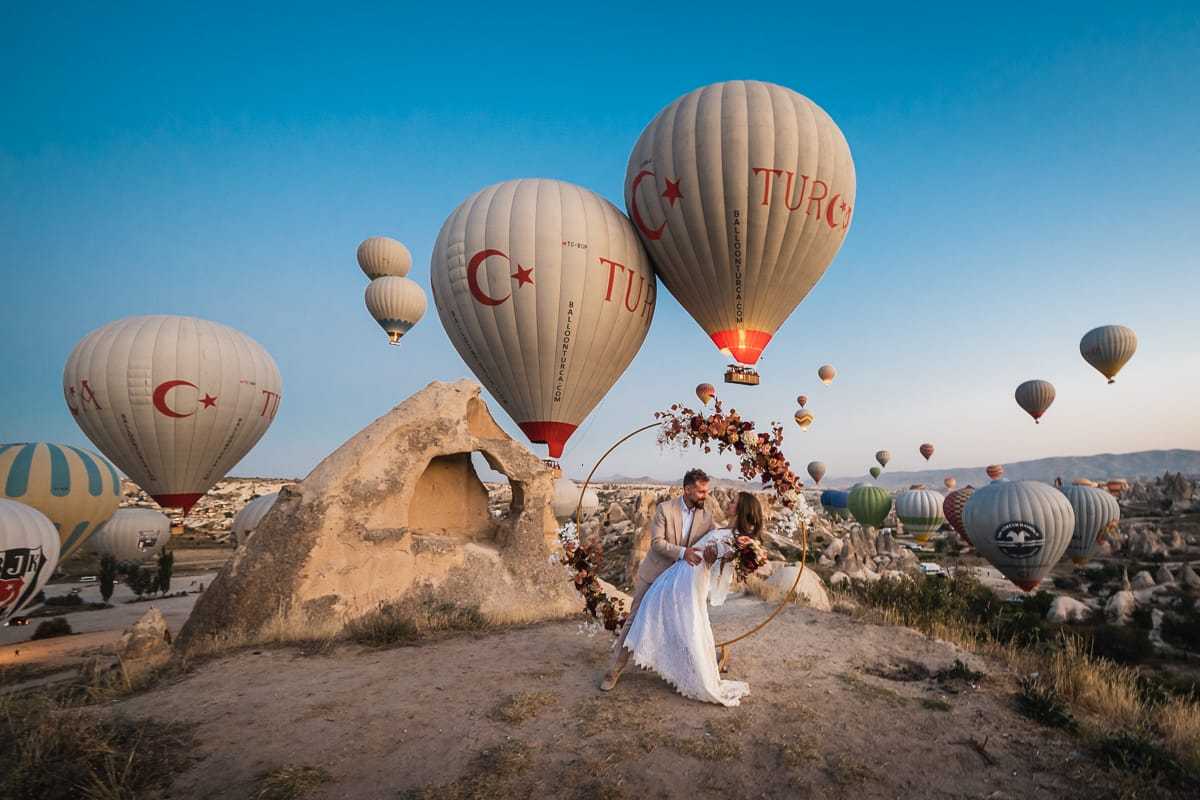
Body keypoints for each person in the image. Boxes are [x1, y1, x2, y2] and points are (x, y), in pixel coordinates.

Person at [615, 491, 764, 706]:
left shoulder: (738, 538)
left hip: (690, 581)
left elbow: (725, 556)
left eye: (734, 502)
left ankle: (693, 674)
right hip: (680, 574)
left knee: (687, 623)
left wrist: (721, 553)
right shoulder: (724, 529)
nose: (729, 503)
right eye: (731, 500)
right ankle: (663, 661)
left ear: (742, 509)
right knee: (660, 611)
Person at [600, 468, 717, 691]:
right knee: (634, 620)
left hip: (681, 580)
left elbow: (717, 535)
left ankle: (686, 673)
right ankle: (613, 671)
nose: (705, 496)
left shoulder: (706, 516)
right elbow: (657, 543)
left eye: (707, 491)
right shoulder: (665, 509)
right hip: (654, 574)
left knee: (684, 625)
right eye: (701, 492)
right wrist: (684, 552)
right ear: (687, 489)